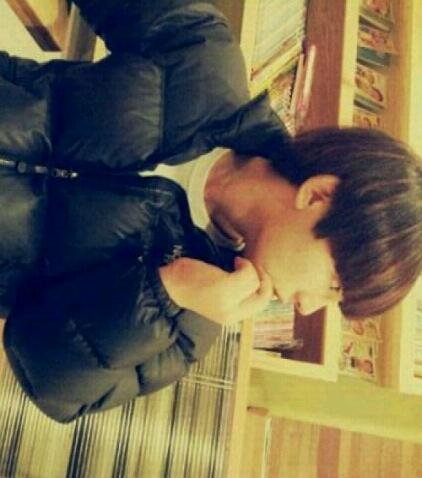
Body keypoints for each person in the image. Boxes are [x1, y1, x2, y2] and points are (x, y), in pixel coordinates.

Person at [0, 0, 421, 423]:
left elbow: (46, 374)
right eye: (332, 284)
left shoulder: (190, 324)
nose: (308, 307)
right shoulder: (202, 58)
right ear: (318, 196)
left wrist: (165, 292)